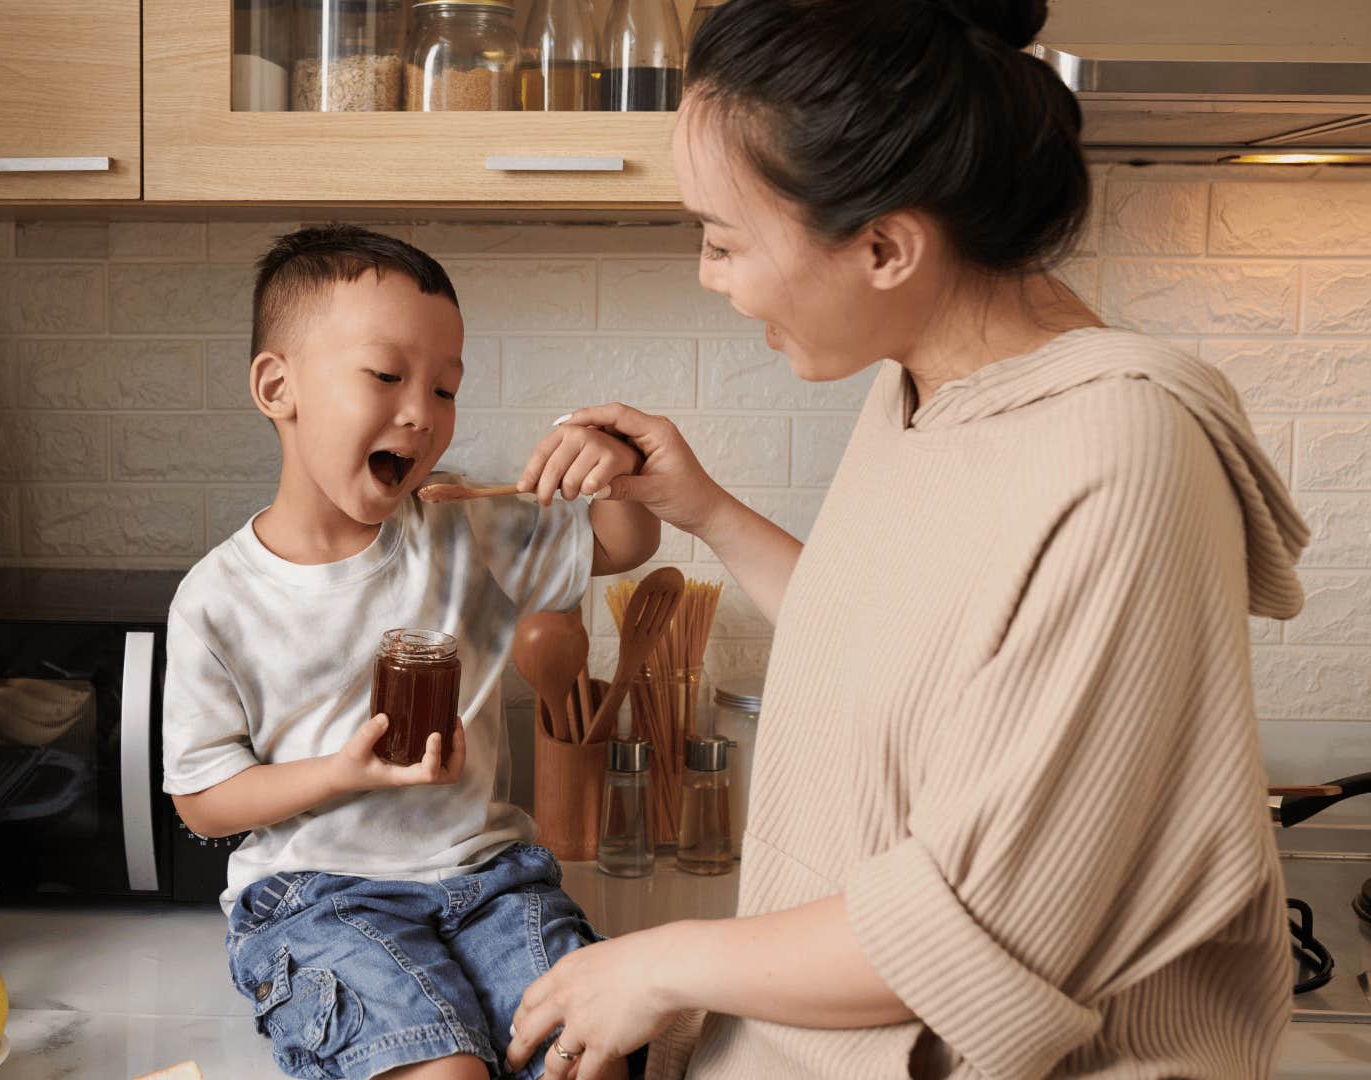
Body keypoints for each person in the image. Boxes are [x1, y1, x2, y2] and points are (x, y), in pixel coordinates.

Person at [501, 1, 1310, 1078]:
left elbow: (969, 930)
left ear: (885, 246)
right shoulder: (920, 383)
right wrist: (703, 509)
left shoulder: (1124, 450)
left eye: (725, 239)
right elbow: (890, 650)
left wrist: (663, 963)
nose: (710, 273)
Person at [161, 225, 661, 1080]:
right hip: (316, 894)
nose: (421, 413)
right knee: (444, 1073)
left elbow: (623, 546)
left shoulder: (469, 527)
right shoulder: (219, 598)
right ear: (278, 387)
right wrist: (343, 771)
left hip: (490, 879)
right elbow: (204, 803)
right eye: (387, 376)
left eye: (445, 387)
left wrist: (612, 471)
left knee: (586, 1061)